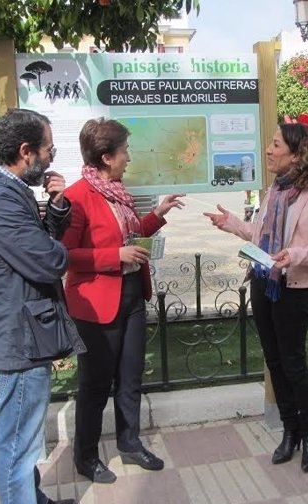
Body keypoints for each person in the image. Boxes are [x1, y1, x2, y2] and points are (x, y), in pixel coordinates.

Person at [0, 108, 84, 504]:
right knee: (17, 444)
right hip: (18, 339)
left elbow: (34, 247)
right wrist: (61, 250)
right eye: (48, 149)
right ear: (25, 152)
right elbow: (48, 261)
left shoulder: (1, 187)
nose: (51, 157)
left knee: (21, 438)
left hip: (16, 327)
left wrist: (56, 210)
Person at [204, 122, 308, 473]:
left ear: (297, 154)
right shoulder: (274, 190)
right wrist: (233, 224)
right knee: (274, 361)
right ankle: (290, 431)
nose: (268, 149)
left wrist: (295, 255)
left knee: (293, 362)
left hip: (295, 286)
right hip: (265, 282)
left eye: (275, 144)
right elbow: (261, 237)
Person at [61, 118, 185, 484]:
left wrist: (157, 215)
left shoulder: (118, 191)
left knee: (130, 377)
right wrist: (116, 256)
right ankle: (85, 456)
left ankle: (129, 444)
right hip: (96, 303)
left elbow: (132, 237)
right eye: (124, 151)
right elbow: (66, 255)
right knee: (96, 384)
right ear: (105, 156)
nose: (129, 158)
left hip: (131, 296)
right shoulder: (76, 197)